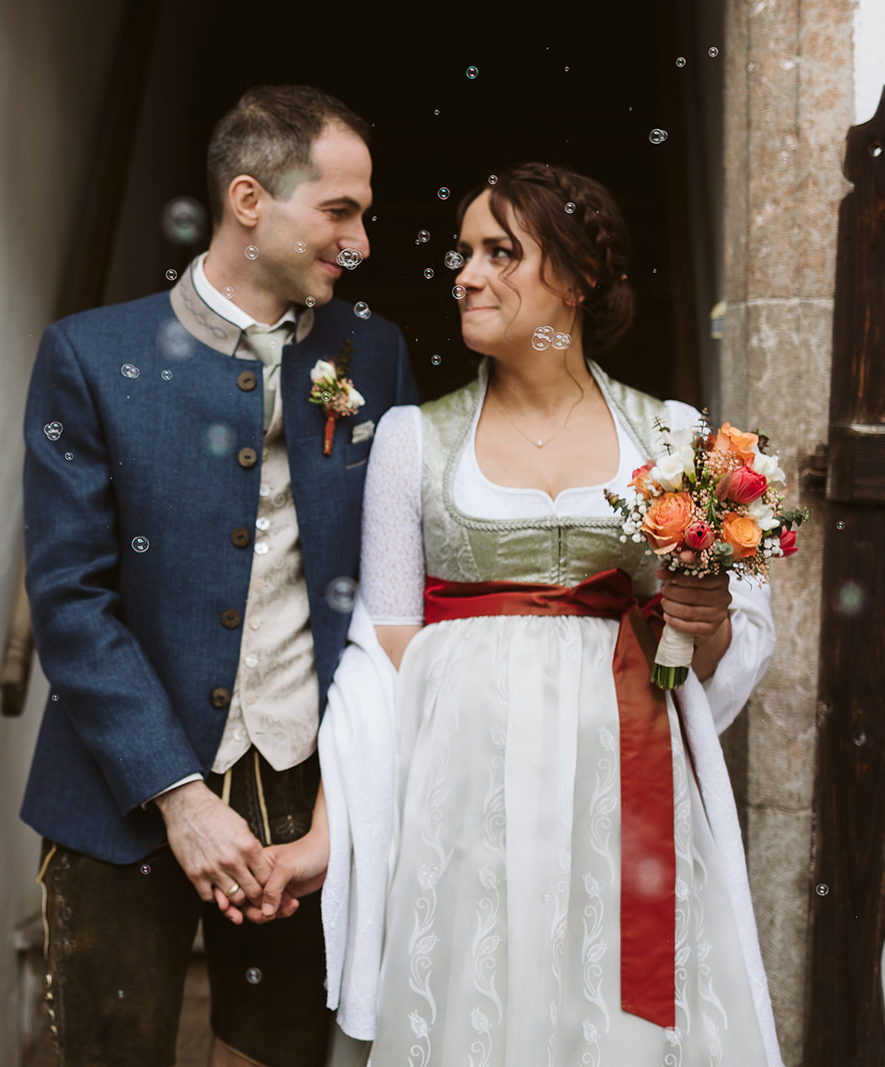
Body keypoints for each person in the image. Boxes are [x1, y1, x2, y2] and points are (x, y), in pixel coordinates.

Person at [248, 163, 785, 1065]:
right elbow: (381, 666)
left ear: (574, 279)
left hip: (626, 805)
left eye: (502, 252)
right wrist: (327, 839)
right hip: (463, 817)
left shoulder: (678, 438)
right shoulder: (413, 443)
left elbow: (716, 652)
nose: (465, 273)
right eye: (463, 252)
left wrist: (705, 614)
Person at [19, 85, 419, 1067]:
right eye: (339, 210)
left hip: (304, 804)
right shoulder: (89, 355)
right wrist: (179, 794)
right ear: (249, 200)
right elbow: (69, 597)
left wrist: (343, 808)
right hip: (116, 800)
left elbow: (391, 588)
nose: (360, 240)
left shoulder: (374, 353)